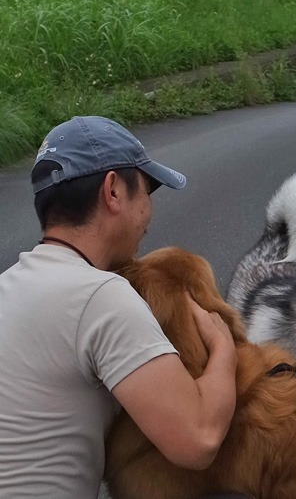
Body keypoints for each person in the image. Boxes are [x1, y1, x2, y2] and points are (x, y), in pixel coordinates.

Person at [0, 115, 245, 498]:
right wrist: (223, 349)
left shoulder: (8, 287)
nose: (149, 212)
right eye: (147, 189)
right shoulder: (100, 296)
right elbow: (198, 440)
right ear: (113, 191)